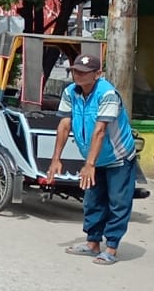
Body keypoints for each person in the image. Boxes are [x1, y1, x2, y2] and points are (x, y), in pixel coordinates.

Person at [48, 54, 139, 265]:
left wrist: (89, 165)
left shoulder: (107, 93)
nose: (78, 75)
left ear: (97, 74)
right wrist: (56, 159)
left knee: (118, 203)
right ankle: (92, 243)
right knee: (93, 201)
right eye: (75, 71)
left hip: (118, 157)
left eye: (83, 72)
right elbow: (64, 125)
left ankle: (112, 248)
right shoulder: (70, 92)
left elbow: (100, 130)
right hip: (94, 157)